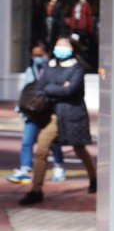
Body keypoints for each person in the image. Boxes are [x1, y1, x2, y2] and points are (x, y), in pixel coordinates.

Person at [19, 36, 97, 205]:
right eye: (58, 45)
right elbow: (41, 88)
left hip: (73, 115)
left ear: (73, 49)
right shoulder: (50, 66)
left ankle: (94, 178)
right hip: (53, 115)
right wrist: (61, 87)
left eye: (65, 45)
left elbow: (70, 91)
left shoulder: (77, 68)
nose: (61, 48)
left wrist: (53, 89)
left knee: (79, 150)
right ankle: (36, 190)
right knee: (41, 149)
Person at [7, 45, 66, 183]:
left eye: (40, 55)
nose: (38, 58)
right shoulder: (30, 71)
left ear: (47, 54)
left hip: (48, 112)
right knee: (27, 141)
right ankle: (25, 169)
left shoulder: (53, 70)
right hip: (32, 112)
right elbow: (25, 90)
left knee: (53, 142)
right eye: (35, 55)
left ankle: (58, 167)